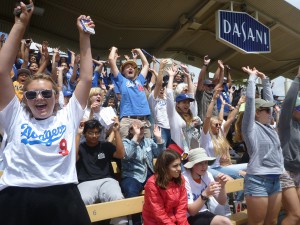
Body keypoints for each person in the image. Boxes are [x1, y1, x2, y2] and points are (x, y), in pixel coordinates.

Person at [0, 2, 94, 225]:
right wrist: (20, 24)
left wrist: (85, 36)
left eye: (45, 93)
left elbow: (87, 78)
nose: (39, 98)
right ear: (25, 99)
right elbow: (2, 71)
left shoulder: (68, 115)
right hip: (17, 196)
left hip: (64, 196)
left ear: (55, 95)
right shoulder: (15, 116)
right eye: (31, 96)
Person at [241, 66, 284, 225]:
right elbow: (251, 101)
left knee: (272, 222)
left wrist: (265, 80)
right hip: (258, 181)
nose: (270, 112)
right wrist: (252, 78)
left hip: (275, 179)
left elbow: (270, 103)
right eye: (266, 110)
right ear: (257, 112)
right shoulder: (250, 127)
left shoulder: (270, 127)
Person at [76, 119, 128, 225]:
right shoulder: (80, 148)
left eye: (97, 132)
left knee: (117, 197)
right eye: (91, 133)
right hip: (85, 182)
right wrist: (77, 134)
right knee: (82, 201)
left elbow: (121, 154)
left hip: (107, 180)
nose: (94, 136)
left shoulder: (105, 145)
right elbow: (73, 158)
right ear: (85, 133)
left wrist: (116, 131)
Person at [121, 119, 164, 225]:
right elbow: (127, 155)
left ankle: (159, 218)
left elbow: (160, 154)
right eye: (138, 128)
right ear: (131, 130)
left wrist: (159, 139)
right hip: (132, 175)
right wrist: (135, 138)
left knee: (164, 185)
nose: (141, 130)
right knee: (130, 190)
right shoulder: (125, 142)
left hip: (149, 174)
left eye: (142, 128)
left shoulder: (148, 141)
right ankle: (136, 222)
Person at [201, 89, 247, 179]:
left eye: (219, 124)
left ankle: (241, 193)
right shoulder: (206, 136)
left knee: (247, 170)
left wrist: (238, 105)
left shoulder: (220, 134)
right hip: (208, 168)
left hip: (219, 167)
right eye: (216, 125)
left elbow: (230, 119)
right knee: (230, 179)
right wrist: (213, 100)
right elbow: (207, 117)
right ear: (210, 126)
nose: (219, 126)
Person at [108, 47, 151, 138]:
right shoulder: (121, 80)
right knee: (127, 150)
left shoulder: (140, 80)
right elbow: (111, 60)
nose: (130, 68)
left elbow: (146, 64)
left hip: (144, 121)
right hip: (127, 120)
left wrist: (139, 51)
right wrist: (114, 49)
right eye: (127, 67)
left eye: (132, 67)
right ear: (123, 72)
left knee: (147, 149)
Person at [183, 148, 232, 225]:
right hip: (188, 218)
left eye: (206, 163)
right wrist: (205, 193)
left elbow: (222, 202)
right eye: (200, 163)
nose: (204, 166)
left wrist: (222, 186)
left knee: (226, 222)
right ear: (192, 165)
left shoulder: (207, 175)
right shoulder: (185, 179)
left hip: (204, 213)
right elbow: (191, 212)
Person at [277, 66, 300, 225]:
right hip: (286, 171)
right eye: (299, 108)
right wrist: (298, 79)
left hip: (299, 171)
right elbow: (288, 102)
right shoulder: (286, 123)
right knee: (295, 215)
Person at [142, 150, 189, 225]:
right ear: (165, 167)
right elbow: (159, 213)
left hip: (173, 220)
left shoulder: (180, 179)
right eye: (175, 166)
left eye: (179, 165)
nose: (179, 168)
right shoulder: (152, 184)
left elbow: (181, 209)